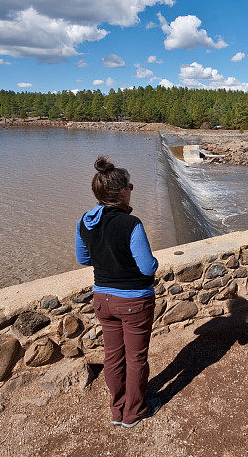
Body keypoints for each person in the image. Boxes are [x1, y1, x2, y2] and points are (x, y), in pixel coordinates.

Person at [74, 155, 161, 428]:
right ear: (122, 191)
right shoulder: (131, 223)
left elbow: (83, 259)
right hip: (134, 301)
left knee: (112, 355)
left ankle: (117, 409)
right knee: (136, 358)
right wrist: (156, 261)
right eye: (130, 186)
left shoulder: (85, 221)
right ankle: (134, 413)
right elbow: (147, 268)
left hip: (102, 299)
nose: (132, 189)